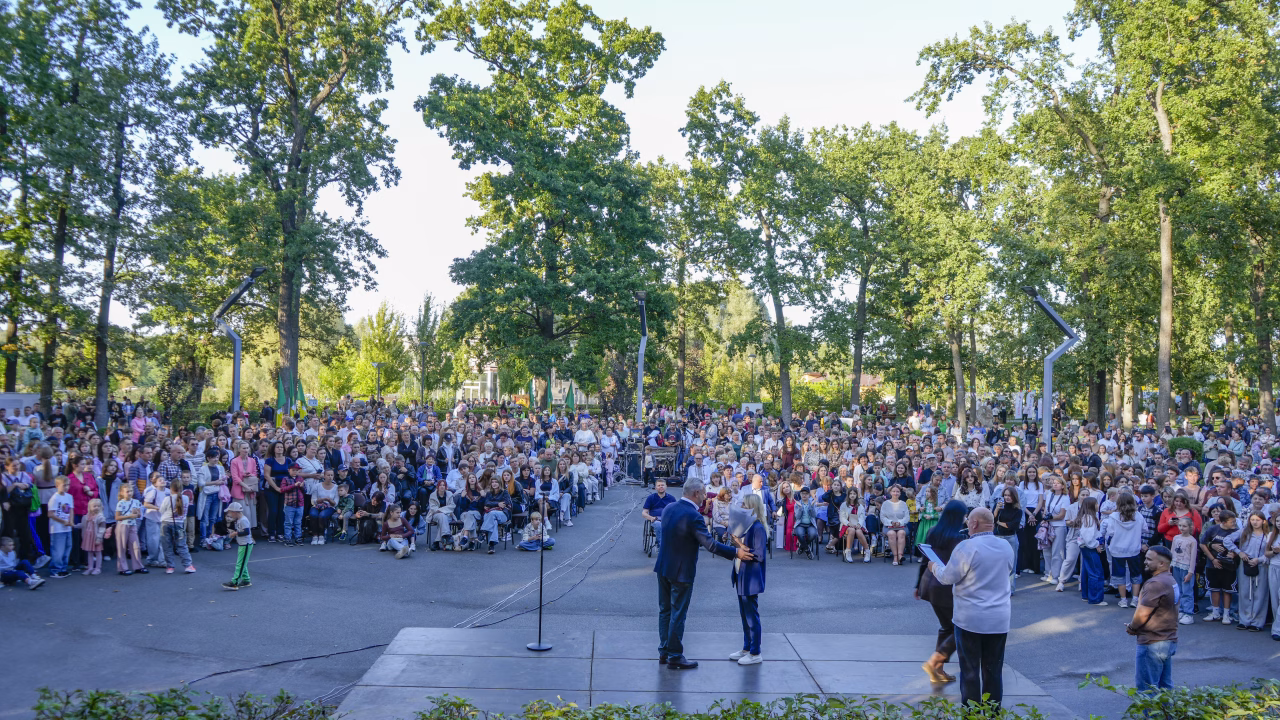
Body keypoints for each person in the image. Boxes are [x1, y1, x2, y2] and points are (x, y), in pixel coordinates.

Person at [653, 479, 754, 670]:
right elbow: (711, 545)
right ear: (697, 493)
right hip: (681, 572)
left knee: (665, 611)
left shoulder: (669, 508)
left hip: (663, 567)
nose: (706, 497)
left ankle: (664, 652)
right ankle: (675, 655)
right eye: (704, 494)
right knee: (678, 613)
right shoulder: (693, 516)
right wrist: (736, 552)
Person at [930, 507, 1015, 710]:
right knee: (993, 671)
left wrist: (934, 566)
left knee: (970, 671)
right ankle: (993, 713)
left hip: (970, 618)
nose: (967, 524)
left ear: (974, 523)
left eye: (969, 521)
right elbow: (1010, 569)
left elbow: (947, 577)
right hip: (999, 618)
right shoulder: (1006, 546)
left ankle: (971, 713)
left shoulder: (967, 546)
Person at [916, 500, 967, 684]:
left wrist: (917, 585)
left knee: (947, 626)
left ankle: (938, 670)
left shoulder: (933, 531)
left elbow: (925, 559)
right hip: (946, 587)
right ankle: (935, 662)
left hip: (929, 584)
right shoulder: (959, 539)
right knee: (959, 628)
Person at [1125, 546, 1178, 692]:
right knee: (1165, 688)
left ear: (1161, 563)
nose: (1145, 562)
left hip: (1153, 643)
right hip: (1167, 640)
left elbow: (1142, 614)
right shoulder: (1170, 579)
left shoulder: (1155, 584)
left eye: (1149, 559)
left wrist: (1132, 627)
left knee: (1146, 690)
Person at [728, 495, 769, 666]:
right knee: (745, 616)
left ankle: (755, 652)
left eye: (745, 504)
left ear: (752, 507)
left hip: (750, 579)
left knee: (752, 617)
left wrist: (740, 545)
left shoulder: (757, 527)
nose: (742, 507)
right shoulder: (747, 525)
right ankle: (747, 648)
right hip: (741, 576)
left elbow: (759, 555)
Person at [221, 501, 254, 590]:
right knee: (242, 562)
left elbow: (246, 532)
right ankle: (246, 580)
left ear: (234, 512)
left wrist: (235, 533)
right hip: (242, 544)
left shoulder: (243, 520)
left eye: (230, 512)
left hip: (245, 544)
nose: (229, 514)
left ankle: (235, 582)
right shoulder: (239, 520)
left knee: (240, 564)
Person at [643, 479, 676, 547]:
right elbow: (644, 513)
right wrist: (651, 518)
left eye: (662, 485)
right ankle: (660, 546)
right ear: (655, 488)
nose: (661, 487)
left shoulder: (672, 499)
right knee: (658, 525)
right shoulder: (651, 498)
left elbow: (676, 512)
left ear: (666, 486)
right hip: (656, 519)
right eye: (659, 485)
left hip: (667, 520)